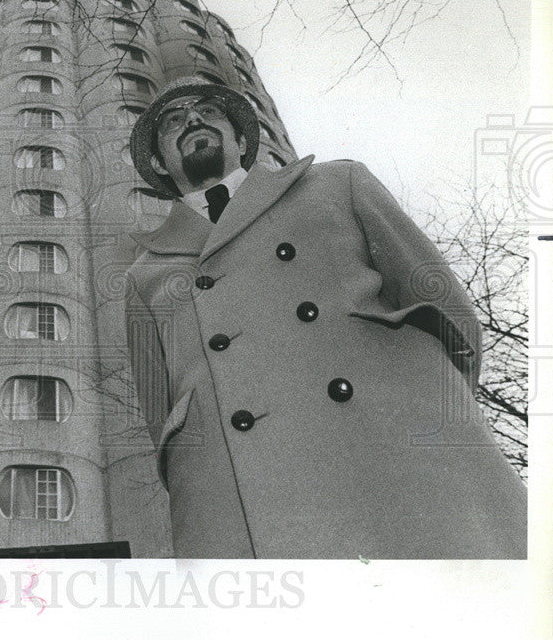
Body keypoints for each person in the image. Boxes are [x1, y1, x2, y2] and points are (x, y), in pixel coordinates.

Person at [123, 75, 527, 559]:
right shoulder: (143, 276)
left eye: (210, 111)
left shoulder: (338, 184)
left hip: (397, 457)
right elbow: (159, 416)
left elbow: (450, 314)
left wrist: (428, 419)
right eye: (173, 120)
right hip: (237, 501)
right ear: (158, 162)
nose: (193, 118)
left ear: (242, 139)